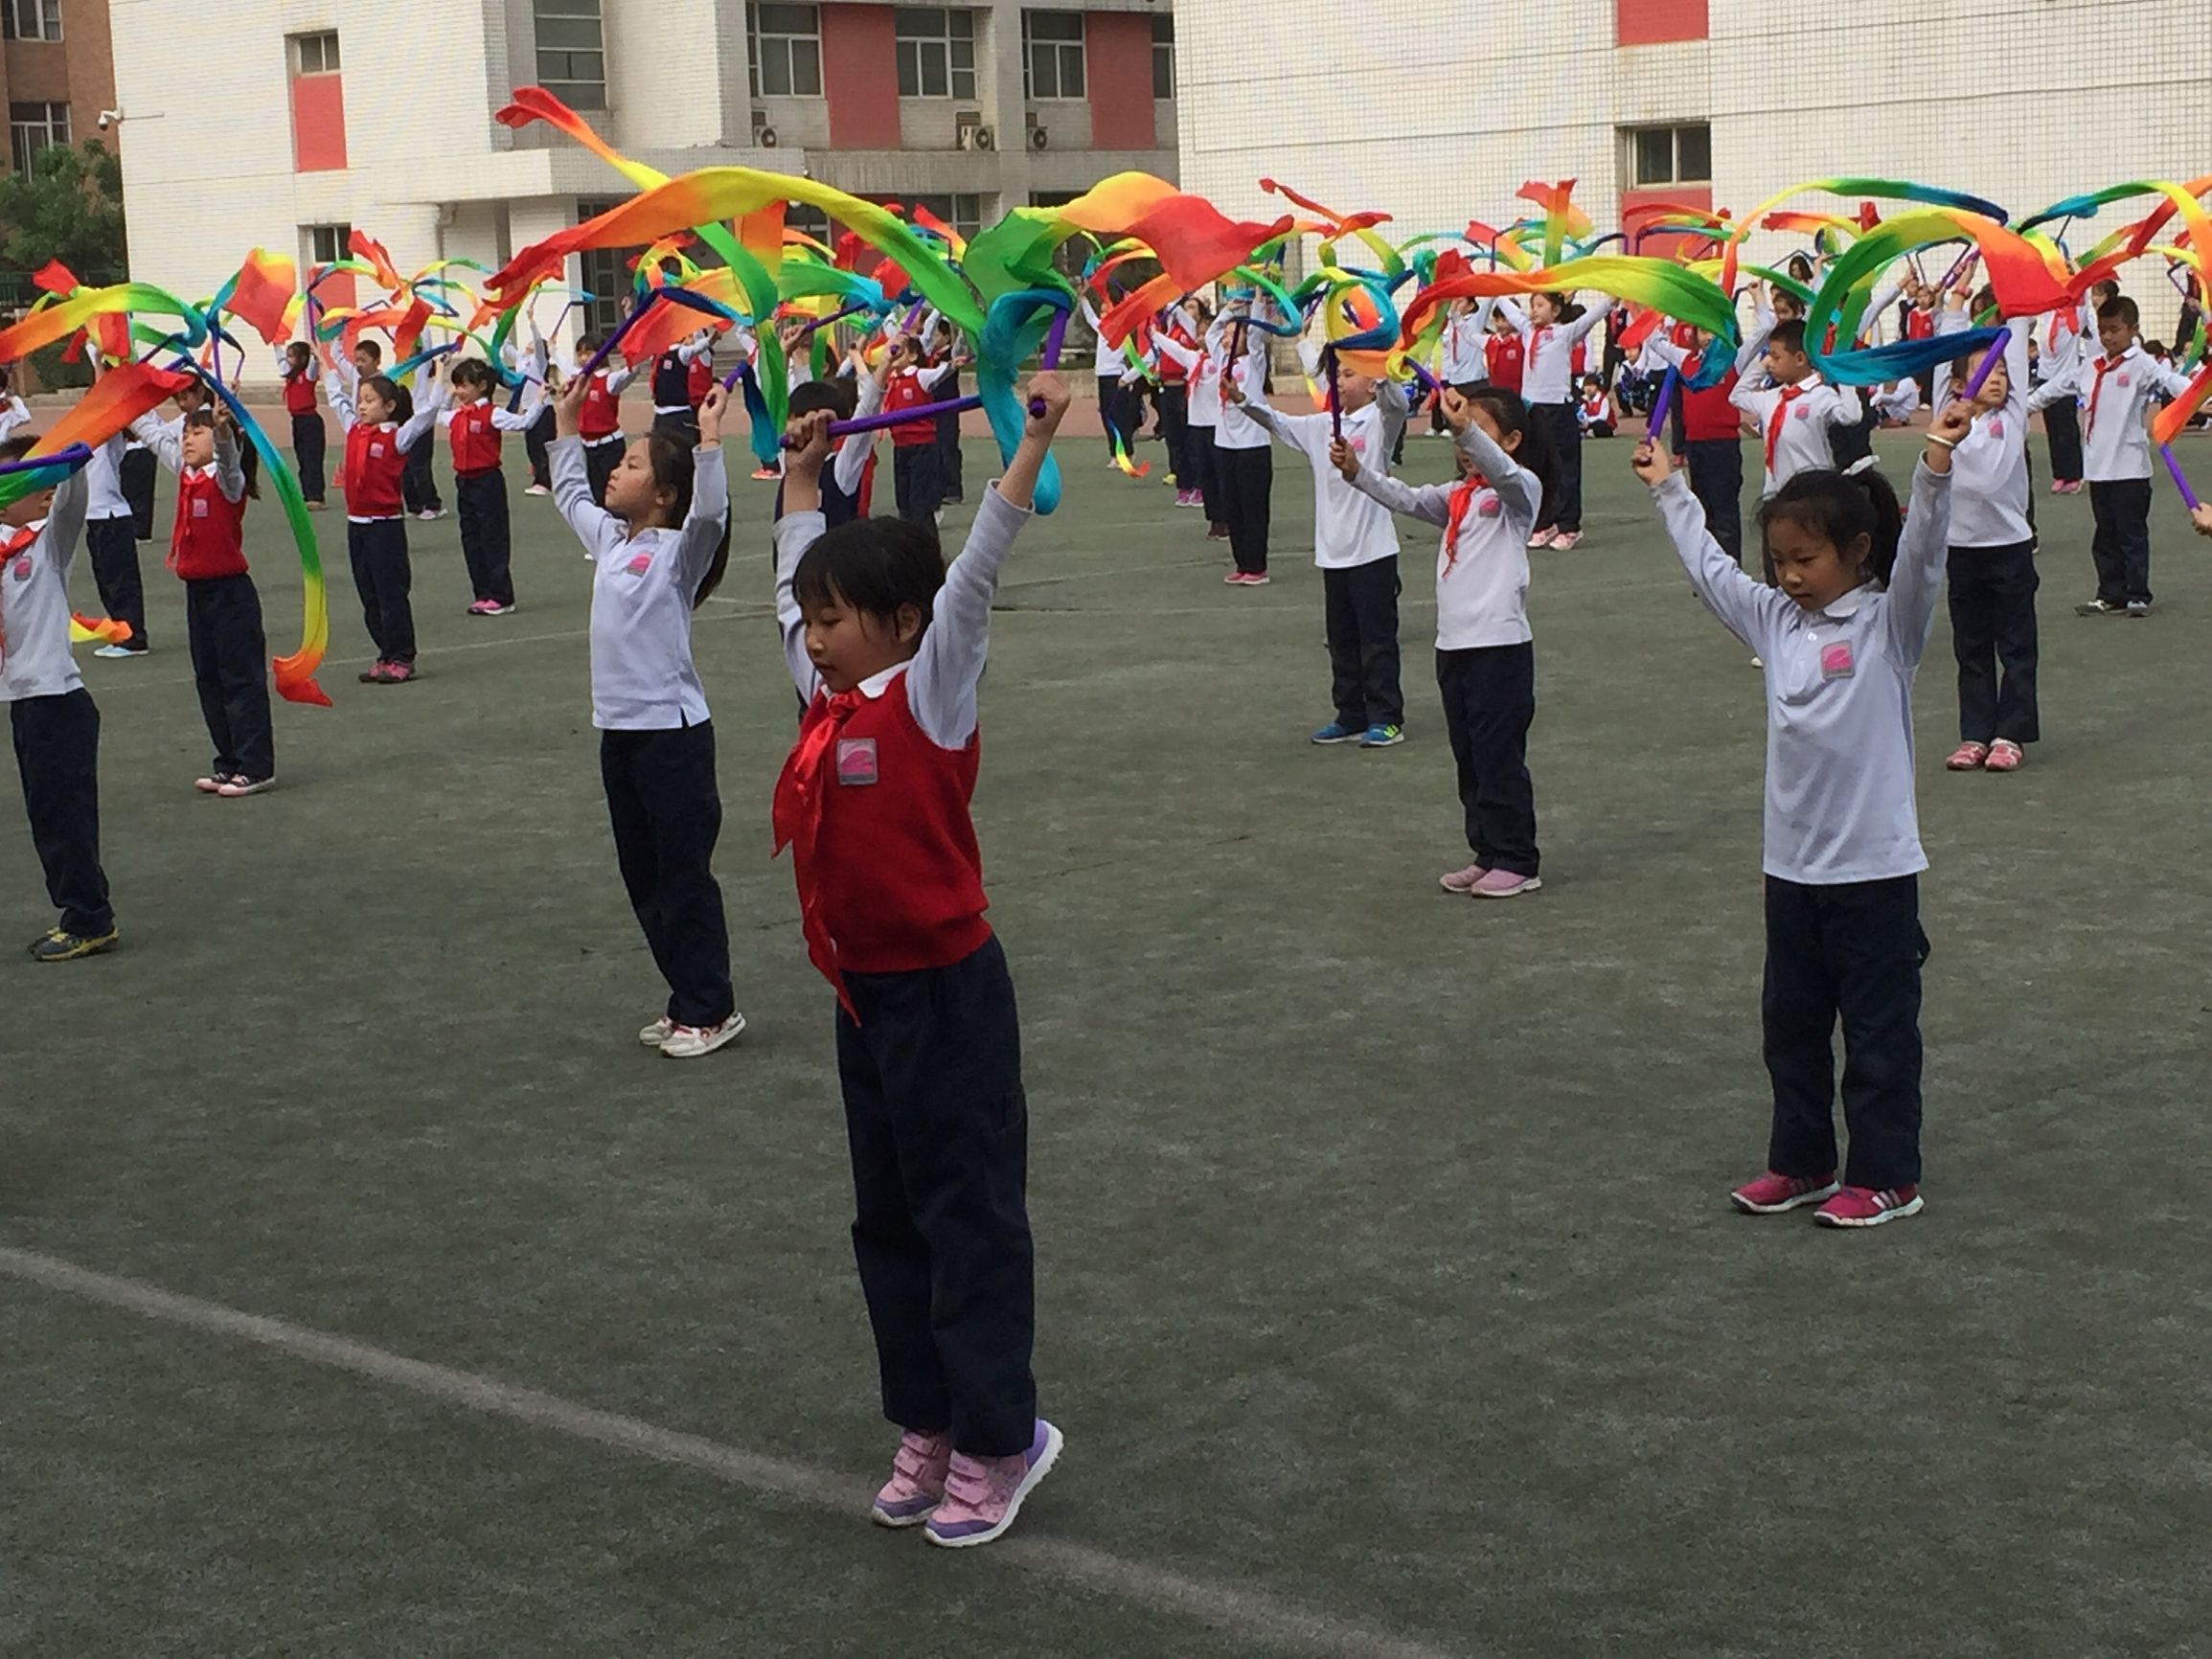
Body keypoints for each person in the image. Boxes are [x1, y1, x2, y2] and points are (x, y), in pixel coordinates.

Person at [769, 374, 1070, 1551]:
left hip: (947, 993)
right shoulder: (824, 701)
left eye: (835, 616)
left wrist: (1033, 435)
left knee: (968, 1218)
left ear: (900, 621)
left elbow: (978, 573)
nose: (814, 633)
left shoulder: (929, 691)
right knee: (885, 1223)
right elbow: (784, 596)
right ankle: (929, 1421)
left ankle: (1005, 1438)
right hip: (864, 998)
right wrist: (799, 480)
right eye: (809, 618)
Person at [1632, 399, 1972, 1228]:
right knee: (1789, 1029)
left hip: (1873, 871)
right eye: (1778, 558)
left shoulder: (1889, 626)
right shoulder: (1773, 619)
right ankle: (1803, 1161)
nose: (1788, 574)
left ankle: (1888, 1175)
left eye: (1805, 558)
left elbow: (1923, 558)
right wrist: (1669, 488)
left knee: (1878, 1035)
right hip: (1789, 869)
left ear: (1856, 552)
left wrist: (1933, 467)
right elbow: (1713, 574)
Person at [549, 374, 742, 1060]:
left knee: (683, 875)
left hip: (674, 736)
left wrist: (711, 437)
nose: (616, 472)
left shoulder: (679, 555)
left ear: (663, 494)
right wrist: (565, 423)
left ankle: (711, 1007)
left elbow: (711, 519)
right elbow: (569, 493)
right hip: (620, 736)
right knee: (643, 874)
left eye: (631, 466)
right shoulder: (609, 541)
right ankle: (684, 997)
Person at [1334, 385, 1550, 898]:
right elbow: (1406, 498)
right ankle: (1487, 851)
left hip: (1499, 647)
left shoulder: (1519, 493)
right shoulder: (1459, 497)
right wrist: (1357, 474)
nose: (1461, 442)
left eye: (1478, 429)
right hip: (1454, 647)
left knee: (1499, 757)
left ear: (1512, 440)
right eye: (1459, 431)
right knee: (1469, 757)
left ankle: (1519, 858)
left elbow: (1501, 470)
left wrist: (1465, 429)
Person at [1225, 340, 1409, 745]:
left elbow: (1398, 405)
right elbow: (1275, 421)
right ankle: (1350, 713)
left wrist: (1379, 366)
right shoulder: (1320, 427)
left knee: (1376, 641)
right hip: (1333, 553)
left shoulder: (1380, 422)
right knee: (1342, 640)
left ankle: (1387, 716)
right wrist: (1242, 400)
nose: (1340, 383)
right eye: (1338, 374)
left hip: (1373, 551)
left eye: (1349, 374)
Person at [0, 435, 115, 960]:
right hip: (25, 701)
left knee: (65, 816)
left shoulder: (45, 545)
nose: (43, 491)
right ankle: (81, 910)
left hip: (58, 701)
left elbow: (70, 506)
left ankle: (89, 917)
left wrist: (72, 463)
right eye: (29, 482)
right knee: (46, 814)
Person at [129, 405, 276, 796]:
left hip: (230, 594)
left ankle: (256, 766)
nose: (187, 438)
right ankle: (227, 762)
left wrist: (225, 432)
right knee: (209, 680)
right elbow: (152, 432)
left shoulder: (229, 481)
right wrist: (121, 383)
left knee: (241, 681)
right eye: (187, 432)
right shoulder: (185, 473)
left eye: (198, 432)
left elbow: (229, 463)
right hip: (198, 594)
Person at [2025, 293, 2193, 617]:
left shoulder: (2142, 363)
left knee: (2132, 534)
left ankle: (2138, 594)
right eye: (2102, 330)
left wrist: (2197, 395)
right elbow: (2052, 389)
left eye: (2115, 329)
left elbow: (2170, 381)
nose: (2107, 337)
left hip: (2130, 467)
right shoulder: (2089, 367)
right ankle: (2109, 592)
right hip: (2098, 468)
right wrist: (2017, 408)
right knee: (2105, 535)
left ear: (2133, 329)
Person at [1932, 300, 2038, 774]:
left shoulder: (2011, 417)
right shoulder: (1950, 416)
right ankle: (1974, 733)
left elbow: (2014, 343)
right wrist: (1954, 306)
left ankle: (2009, 734)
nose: (1997, 378)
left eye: (2001, 371)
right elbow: (1945, 353)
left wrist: (2015, 300)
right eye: (1984, 371)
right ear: (1958, 385)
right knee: (1971, 647)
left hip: (2010, 549)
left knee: (2015, 646)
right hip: (1963, 551)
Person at [326, 358, 445, 683]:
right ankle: (385, 653)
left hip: (385, 527)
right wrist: (323, 358)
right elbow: (335, 395)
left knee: (391, 594)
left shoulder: (398, 437)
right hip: (357, 526)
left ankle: (402, 657)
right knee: (369, 595)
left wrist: (441, 374)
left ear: (389, 406)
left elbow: (427, 415)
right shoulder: (353, 429)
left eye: (369, 401)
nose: (361, 406)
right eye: (360, 400)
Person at [1494, 290, 1613, 549]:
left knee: (1565, 469)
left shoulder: (1565, 332)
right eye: (1531, 305)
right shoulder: (1527, 330)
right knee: (1536, 467)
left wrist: (1612, 300)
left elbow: (1590, 319)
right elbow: (1509, 308)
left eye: (1539, 305)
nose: (1533, 310)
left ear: (1556, 310)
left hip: (1558, 409)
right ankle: (1544, 523)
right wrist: (1495, 288)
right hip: (1532, 408)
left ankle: (1569, 526)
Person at [445, 357, 541, 616]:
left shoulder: (493, 414)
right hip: (463, 482)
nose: (459, 391)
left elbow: (524, 423)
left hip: (487, 481)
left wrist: (540, 400)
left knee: (492, 538)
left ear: (482, 385)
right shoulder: (456, 415)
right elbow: (433, 412)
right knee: (470, 538)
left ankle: (501, 595)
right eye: (456, 386)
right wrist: (445, 390)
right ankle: (483, 593)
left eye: (464, 385)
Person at [1210, 300, 1277, 583]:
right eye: (1226, 336)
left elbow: (1257, 334)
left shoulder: (1254, 361)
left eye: (1232, 335)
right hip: (1225, 445)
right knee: (1232, 507)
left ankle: (1257, 567)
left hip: (1253, 446)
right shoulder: (1221, 361)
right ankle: (1241, 563)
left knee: (1253, 508)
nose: (1226, 339)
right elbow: (1211, 333)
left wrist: (1259, 298)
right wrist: (1228, 309)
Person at [82, 416, 150, 660]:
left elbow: (107, 405)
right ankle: (121, 632)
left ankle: (133, 637)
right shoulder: (89, 437)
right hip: (96, 517)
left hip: (111, 516)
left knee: (120, 581)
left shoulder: (107, 435)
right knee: (106, 580)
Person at [878, 333, 955, 526]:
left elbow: (940, 373)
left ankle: (925, 542)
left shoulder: (920, 375)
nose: (894, 354)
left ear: (912, 356)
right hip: (900, 446)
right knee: (903, 500)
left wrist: (952, 365)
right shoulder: (891, 380)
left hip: (922, 446)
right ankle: (908, 540)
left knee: (920, 502)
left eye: (900, 351)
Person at [575, 335, 640, 505]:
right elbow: (564, 366)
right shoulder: (581, 378)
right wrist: (551, 349)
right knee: (596, 493)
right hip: (589, 446)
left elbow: (633, 371)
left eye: (588, 353)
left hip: (609, 446)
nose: (583, 358)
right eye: (579, 354)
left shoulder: (610, 380)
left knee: (615, 491)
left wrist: (630, 347)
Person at [279, 341, 328, 510]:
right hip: (297, 421)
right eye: (288, 355)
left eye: (292, 356)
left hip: (310, 421)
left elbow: (314, 364)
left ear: (302, 358)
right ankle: (307, 494)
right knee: (302, 459)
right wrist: (276, 343)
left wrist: (315, 352)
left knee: (312, 458)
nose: (288, 359)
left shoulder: (308, 375)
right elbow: (280, 360)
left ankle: (316, 495)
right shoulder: (290, 375)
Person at [649, 330, 716, 446]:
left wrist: (695, 322)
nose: (689, 339)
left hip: (699, 407)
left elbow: (701, 344)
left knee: (694, 445)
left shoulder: (697, 355)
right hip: (667, 409)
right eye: (688, 336)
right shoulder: (666, 354)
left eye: (691, 336)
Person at [1576, 374, 1614, 438]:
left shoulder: (1603, 399)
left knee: (1600, 425)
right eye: (1586, 385)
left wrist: (1588, 420)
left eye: (1592, 385)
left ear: (1597, 387)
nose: (1588, 388)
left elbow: (1603, 417)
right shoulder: (1583, 400)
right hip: (1587, 423)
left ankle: (1590, 432)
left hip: (1603, 424)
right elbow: (1582, 413)